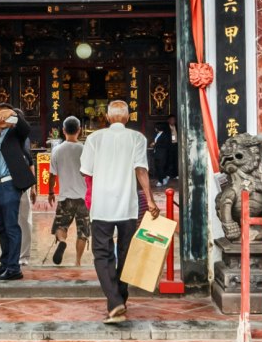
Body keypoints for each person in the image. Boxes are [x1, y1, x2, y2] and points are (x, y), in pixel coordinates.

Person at [82, 99, 155, 325]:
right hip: (127, 206)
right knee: (126, 254)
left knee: (102, 255)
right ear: (127, 117)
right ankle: (119, 300)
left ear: (107, 117)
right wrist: (150, 199)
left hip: (102, 206)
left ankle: (115, 303)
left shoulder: (94, 138)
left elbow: (86, 172)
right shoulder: (137, 138)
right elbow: (141, 170)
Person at [0, 104, 33, 281]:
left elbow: (25, 128)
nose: (0, 119)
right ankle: (5, 262)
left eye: (4, 116)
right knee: (1, 227)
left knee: (12, 226)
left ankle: (14, 267)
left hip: (10, 184)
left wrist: (13, 115)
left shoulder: (15, 135)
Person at [48, 116, 88, 267]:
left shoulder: (57, 150)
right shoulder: (84, 149)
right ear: (79, 130)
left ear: (63, 131)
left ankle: (62, 242)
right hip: (83, 197)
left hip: (65, 197)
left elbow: (52, 174)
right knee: (82, 232)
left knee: (60, 226)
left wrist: (51, 192)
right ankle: (77, 262)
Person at [147, 118, 178, 190]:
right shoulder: (157, 134)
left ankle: (161, 181)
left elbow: (165, 144)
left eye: (156, 127)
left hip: (162, 154)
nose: (155, 128)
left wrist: (155, 145)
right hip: (157, 153)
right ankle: (164, 178)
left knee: (160, 167)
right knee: (157, 167)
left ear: (158, 128)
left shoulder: (165, 135)